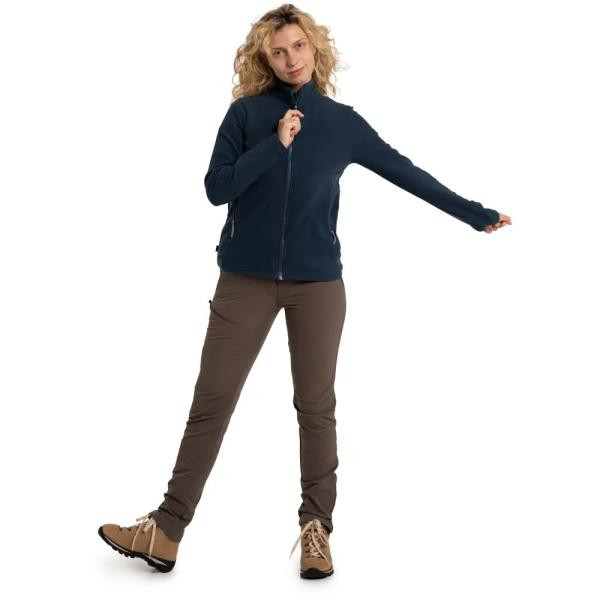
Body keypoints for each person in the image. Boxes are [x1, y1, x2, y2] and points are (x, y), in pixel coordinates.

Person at [98, 3, 511, 580]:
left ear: (315, 48)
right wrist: (275, 144)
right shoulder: (245, 115)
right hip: (244, 281)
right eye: (278, 52)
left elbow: (406, 172)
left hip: (317, 284)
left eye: (298, 46)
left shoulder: (342, 123)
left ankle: (316, 530)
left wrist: (474, 214)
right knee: (211, 402)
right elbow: (217, 189)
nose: (291, 59)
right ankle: (166, 530)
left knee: (315, 407)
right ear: (264, 59)